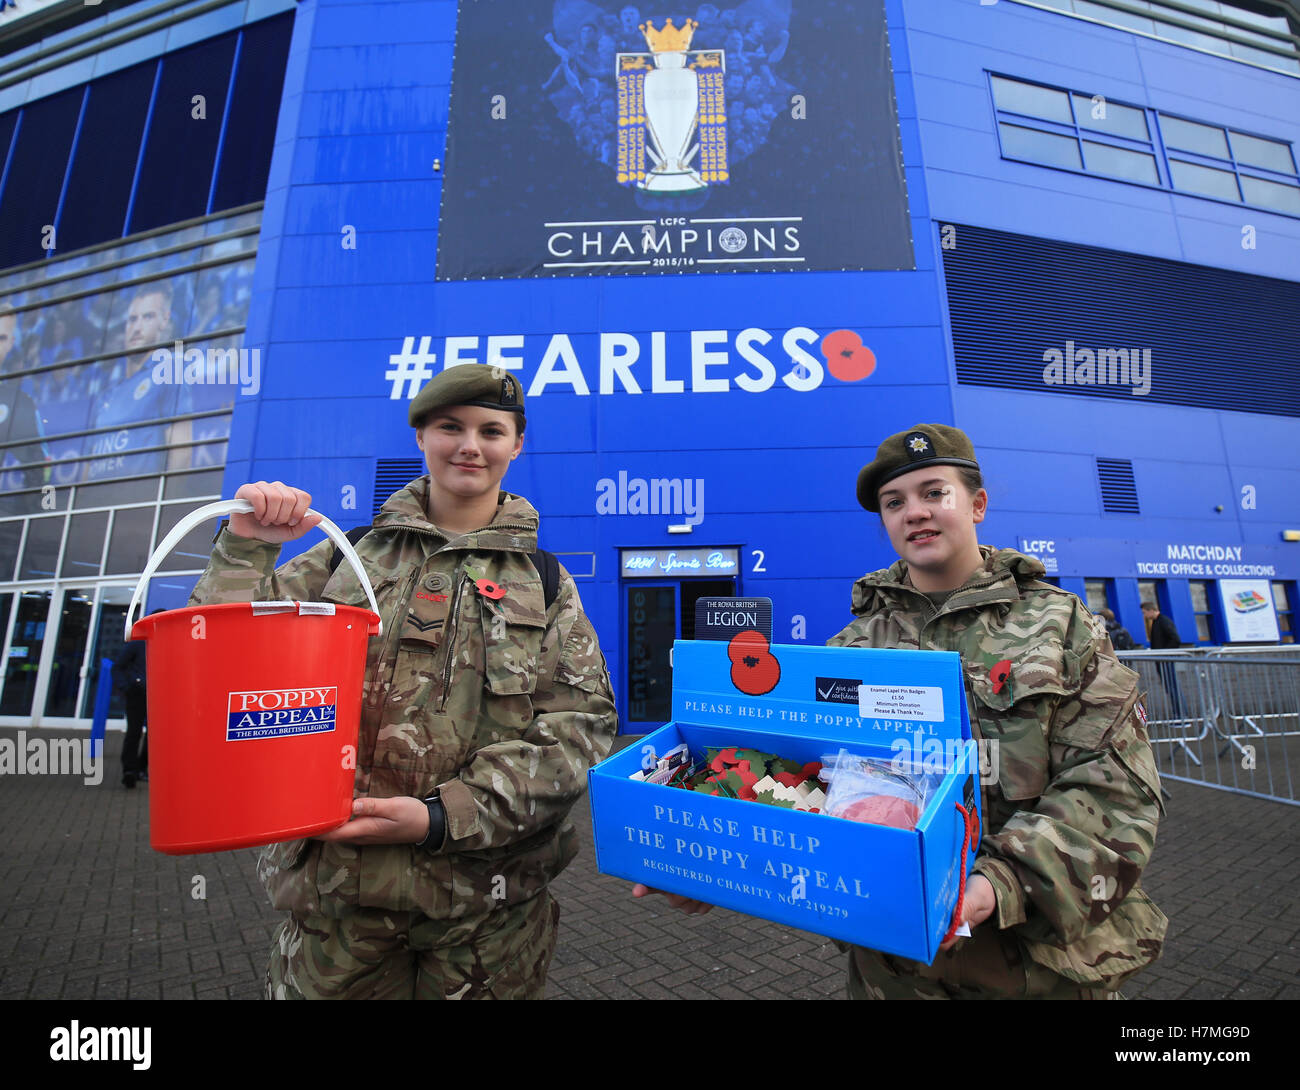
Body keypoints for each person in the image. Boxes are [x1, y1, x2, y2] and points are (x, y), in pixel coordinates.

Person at [637, 423, 1167, 999]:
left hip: (1036, 968)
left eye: (934, 492)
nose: (915, 512)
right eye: (895, 503)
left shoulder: (1062, 626)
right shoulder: (853, 647)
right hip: (893, 973)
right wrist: (717, 862)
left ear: (977, 504)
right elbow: (801, 783)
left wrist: (997, 883)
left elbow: (1116, 786)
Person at [187, 364, 617, 999]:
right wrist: (247, 546)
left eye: (491, 430)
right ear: (421, 436)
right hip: (338, 902)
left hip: (488, 915)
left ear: (516, 445)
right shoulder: (344, 555)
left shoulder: (546, 583)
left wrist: (442, 816)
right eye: (450, 426)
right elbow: (216, 663)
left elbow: (579, 729)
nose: (470, 445)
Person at [113, 627, 149, 788]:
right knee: (134, 732)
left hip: (158, 695)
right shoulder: (137, 644)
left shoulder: (169, 644)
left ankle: (143, 769)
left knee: (154, 735)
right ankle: (129, 771)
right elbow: (118, 666)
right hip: (137, 694)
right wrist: (126, 687)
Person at [1142, 600, 1185, 719]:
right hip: (1162, 659)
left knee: (1172, 687)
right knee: (1170, 687)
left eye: (1145, 612)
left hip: (1165, 659)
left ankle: (1181, 715)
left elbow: (1175, 639)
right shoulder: (1157, 622)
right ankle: (1179, 714)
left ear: (1151, 610)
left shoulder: (1163, 621)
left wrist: (1164, 653)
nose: (1144, 615)